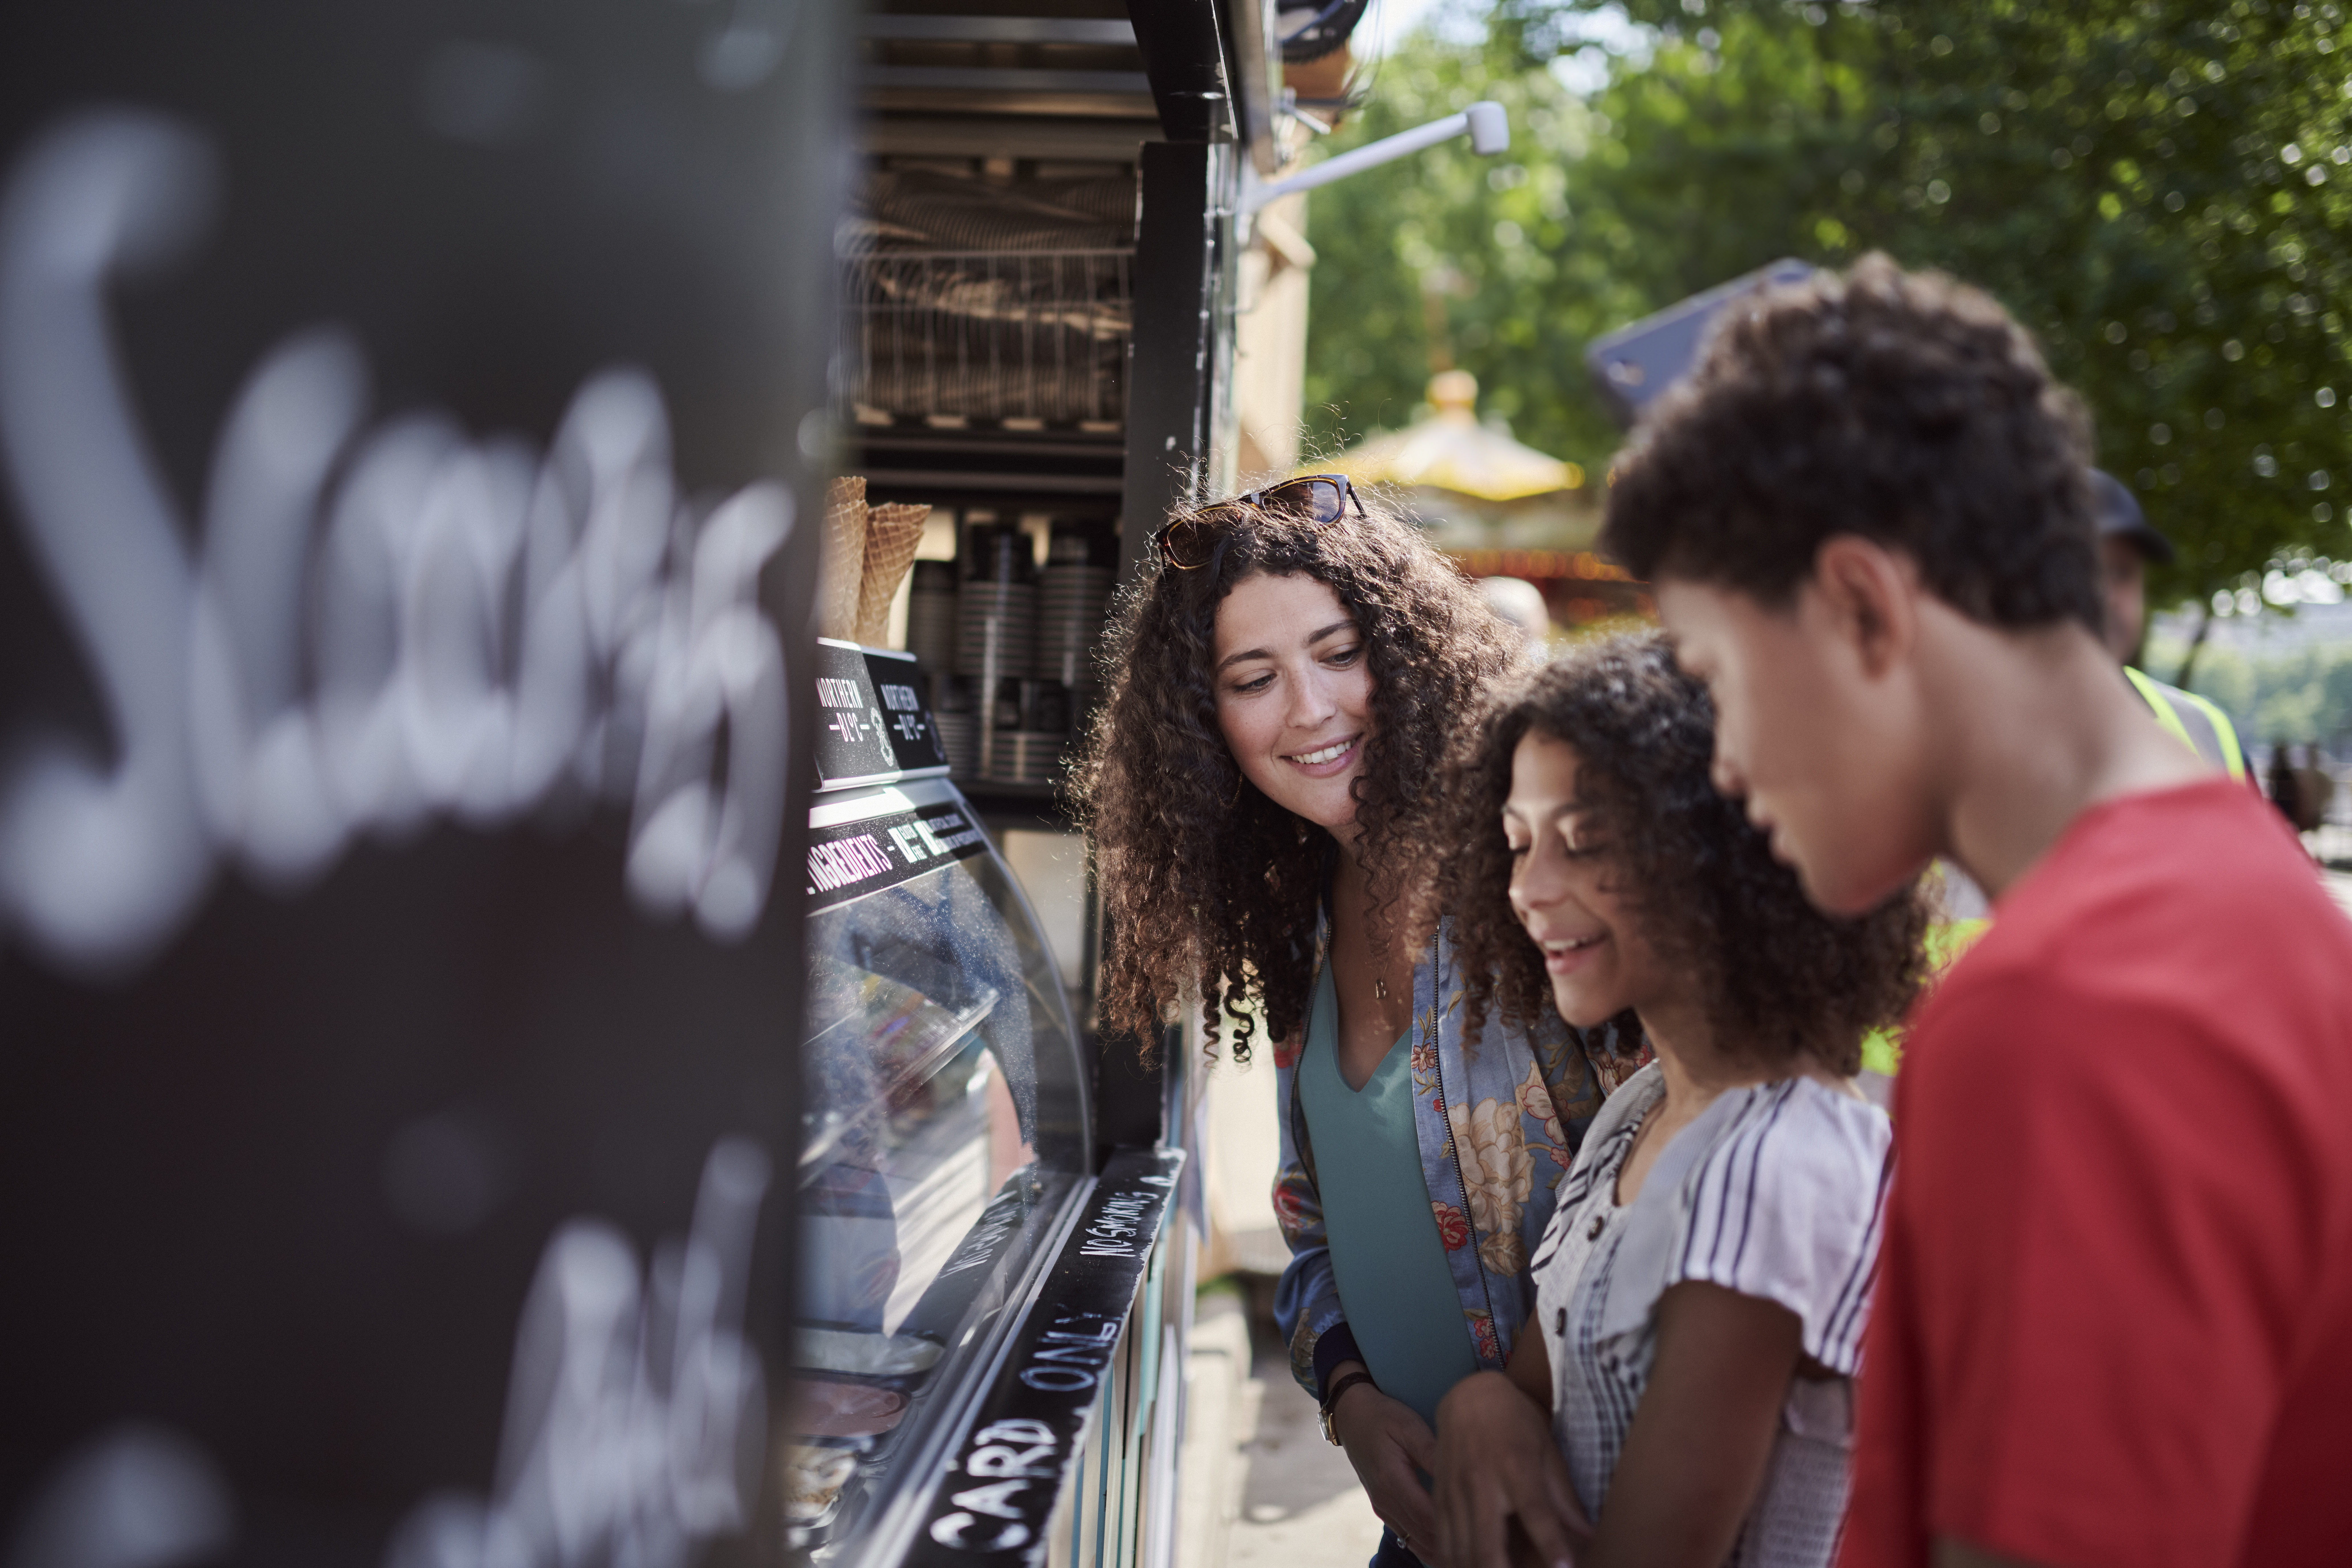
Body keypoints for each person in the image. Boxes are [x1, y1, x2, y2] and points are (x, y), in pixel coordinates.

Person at [1600, 253, 2352, 1567]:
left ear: (1860, 606)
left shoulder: (2069, 1007)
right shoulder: (2240, 887)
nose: (1718, 760)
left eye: (1715, 673)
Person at [1076, 476, 1642, 1568]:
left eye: (1340, 653)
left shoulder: (1540, 880)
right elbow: (1311, 1218)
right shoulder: (1297, 929)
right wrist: (1346, 1394)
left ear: (1410, 649)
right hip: (1425, 1524)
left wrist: (1503, 1400)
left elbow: (1674, 1171)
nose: (1308, 708)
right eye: (1254, 678)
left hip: (1595, 1513)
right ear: (1207, 727)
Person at [1418, 636, 1927, 1568]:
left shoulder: (1774, 1165)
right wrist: (1477, 1401)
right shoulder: (1638, 1110)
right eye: (1517, 843)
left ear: (1720, 847)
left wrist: (1486, 1409)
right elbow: (1530, 1388)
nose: (1528, 890)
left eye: (1584, 841)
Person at [2089, 468, 2247, 780]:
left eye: (2122, 572)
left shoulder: (2207, 728)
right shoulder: (1980, 733)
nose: (2107, 596)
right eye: (2084, 569)